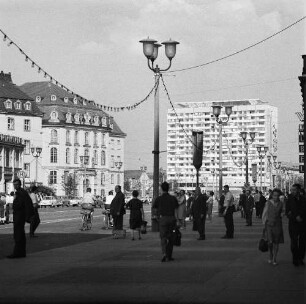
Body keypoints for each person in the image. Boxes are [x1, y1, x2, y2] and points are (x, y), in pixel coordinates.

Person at [7, 178, 34, 259]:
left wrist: (13, 205)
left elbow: (19, 205)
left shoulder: (20, 193)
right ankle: (21, 252)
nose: (15, 186)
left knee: (18, 235)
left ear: (19, 184)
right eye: (14, 184)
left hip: (19, 216)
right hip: (21, 216)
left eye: (16, 184)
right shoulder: (23, 192)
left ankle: (17, 253)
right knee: (21, 234)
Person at [153, 181, 179, 262]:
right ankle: (169, 255)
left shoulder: (159, 199)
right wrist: (177, 220)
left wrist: (157, 217)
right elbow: (176, 209)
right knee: (171, 237)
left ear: (161, 189)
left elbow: (155, 209)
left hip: (163, 219)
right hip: (172, 219)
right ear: (168, 188)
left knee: (163, 237)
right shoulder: (173, 198)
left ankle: (164, 253)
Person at [262, 188, 284, 266]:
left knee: (276, 242)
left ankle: (274, 258)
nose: (276, 197)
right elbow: (264, 214)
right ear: (272, 195)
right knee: (270, 242)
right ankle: (270, 254)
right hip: (269, 225)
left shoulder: (281, 203)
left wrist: (282, 214)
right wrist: (264, 224)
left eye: (277, 196)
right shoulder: (268, 203)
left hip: (278, 225)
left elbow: (283, 212)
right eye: (274, 195)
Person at [286, 184, 306, 267]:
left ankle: (301, 258)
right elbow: (287, 212)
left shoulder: (304, 199)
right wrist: (295, 217)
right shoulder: (289, 200)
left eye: (294, 190)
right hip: (293, 224)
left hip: (303, 224)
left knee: (302, 242)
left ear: (298, 190)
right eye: (291, 190)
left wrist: (301, 217)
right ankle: (295, 259)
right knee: (294, 242)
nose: (292, 191)